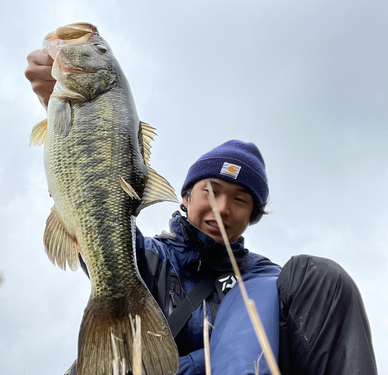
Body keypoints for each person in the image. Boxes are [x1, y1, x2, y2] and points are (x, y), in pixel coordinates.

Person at [25, 49, 378, 375]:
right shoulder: (146, 257)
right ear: (185, 198)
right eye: (211, 191)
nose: (222, 208)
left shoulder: (271, 282)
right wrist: (71, 119)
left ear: (252, 216)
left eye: (241, 200)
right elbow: (101, 215)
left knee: (320, 275)